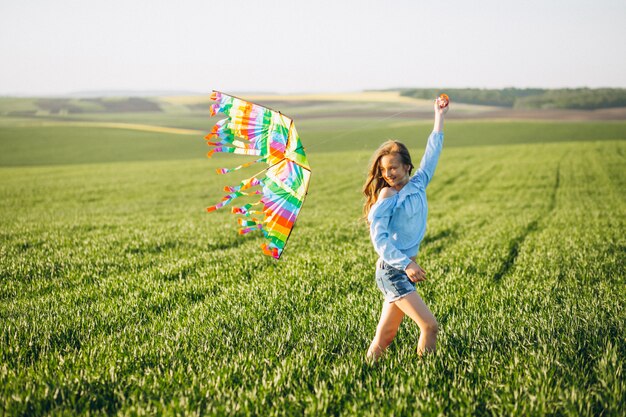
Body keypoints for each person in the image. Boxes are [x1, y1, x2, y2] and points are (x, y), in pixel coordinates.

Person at [363, 96, 449, 360]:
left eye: (394, 168)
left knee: (385, 336)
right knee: (429, 326)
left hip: (402, 269)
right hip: (392, 270)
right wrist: (406, 264)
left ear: (407, 166)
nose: (389, 174)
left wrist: (439, 115)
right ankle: (426, 381)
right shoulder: (387, 196)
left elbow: (432, 152)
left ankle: (365, 372)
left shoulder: (418, 183)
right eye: (384, 170)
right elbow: (380, 239)